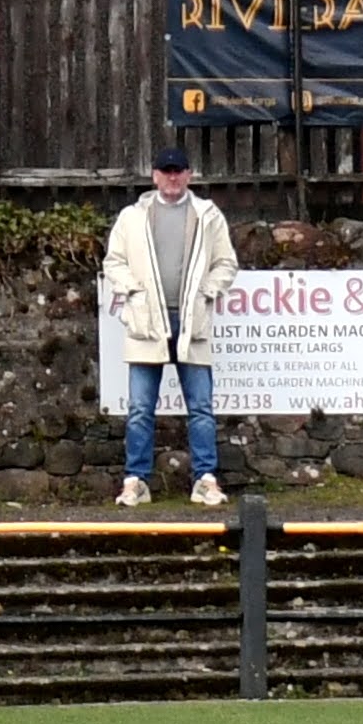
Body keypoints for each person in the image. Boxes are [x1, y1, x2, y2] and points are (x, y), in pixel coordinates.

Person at [100, 146, 237, 508]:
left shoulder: (208, 215)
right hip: (147, 323)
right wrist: (133, 290)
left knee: (201, 407)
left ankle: (205, 479)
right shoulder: (132, 217)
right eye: (166, 171)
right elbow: (114, 262)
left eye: (178, 171)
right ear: (155, 176)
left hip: (192, 322)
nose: (173, 177)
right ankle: (136, 481)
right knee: (140, 409)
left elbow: (226, 263)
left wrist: (207, 292)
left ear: (189, 175)